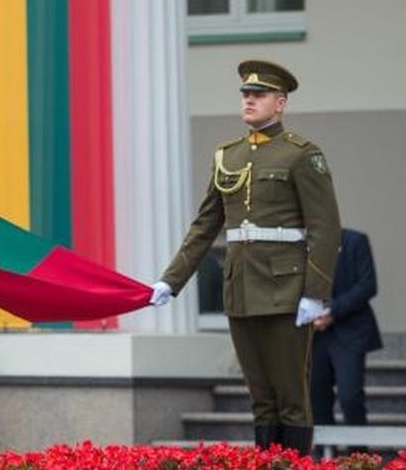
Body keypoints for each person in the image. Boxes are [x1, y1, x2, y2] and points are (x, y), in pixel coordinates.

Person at [150, 60, 341, 455]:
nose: (250, 100)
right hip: (241, 288)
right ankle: (266, 463)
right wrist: (171, 280)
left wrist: (315, 292)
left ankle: (293, 465)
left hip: (287, 289)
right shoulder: (228, 155)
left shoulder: (302, 154)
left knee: (290, 395)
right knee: (260, 395)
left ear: (281, 103)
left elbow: (326, 227)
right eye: (246, 95)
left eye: (259, 95)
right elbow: (205, 226)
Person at [311, 228, 382, 447]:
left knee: (350, 397)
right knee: (317, 401)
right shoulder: (300, 245)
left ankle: (359, 456)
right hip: (313, 334)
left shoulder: (355, 241)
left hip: (350, 331)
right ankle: (325, 458)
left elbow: (368, 285)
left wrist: (332, 311)